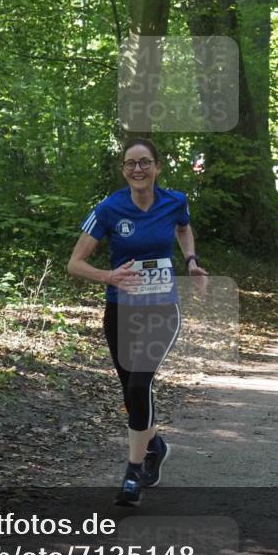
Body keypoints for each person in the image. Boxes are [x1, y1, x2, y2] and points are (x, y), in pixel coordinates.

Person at [67, 138, 208, 507]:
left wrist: (191, 260)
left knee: (139, 382)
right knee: (132, 390)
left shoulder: (174, 201)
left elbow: (183, 227)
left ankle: (132, 473)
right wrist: (108, 277)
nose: (138, 169)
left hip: (162, 310)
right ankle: (155, 445)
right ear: (123, 169)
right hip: (120, 311)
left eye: (145, 162)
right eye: (130, 163)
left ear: (157, 167)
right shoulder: (109, 209)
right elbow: (75, 263)